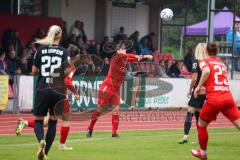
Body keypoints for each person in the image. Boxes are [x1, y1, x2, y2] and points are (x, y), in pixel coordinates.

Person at [86, 43, 153, 138]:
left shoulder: (125, 60)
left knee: (116, 110)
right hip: (107, 87)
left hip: (115, 90)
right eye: (121, 49)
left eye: (124, 49)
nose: (123, 51)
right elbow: (129, 56)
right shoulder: (115, 58)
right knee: (100, 109)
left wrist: (141, 58)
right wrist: (145, 56)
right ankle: (90, 128)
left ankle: (114, 133)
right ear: (117, 51)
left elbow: (132, 58)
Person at [16, 54, 81, 151]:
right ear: (75, 57)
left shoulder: (59, 63)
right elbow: (67, 81)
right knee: (66, 120)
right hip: (60, 96)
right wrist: (75, 93)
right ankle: (62, 145)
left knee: (46, 121)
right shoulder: (70, 67)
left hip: (49, 92)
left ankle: (24, 123)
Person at [191, 42, 240, 160]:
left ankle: (202, 154)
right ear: (217, 52)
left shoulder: (204, 61)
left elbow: (207, 72)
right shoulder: (222, 64)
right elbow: (219, 81)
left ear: (206, 51)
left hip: (214, 100)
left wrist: (198, 86)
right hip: (227, 98)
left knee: (201, 125)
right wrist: (206, 89)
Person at [31, 25, 72, 160]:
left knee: (38, 120)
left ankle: (41, 141)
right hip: (58, 90)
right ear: (60, 36)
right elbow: (67, 72)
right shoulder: (64, 52)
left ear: (49, 34)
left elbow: (34, 71)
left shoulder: (41, 50)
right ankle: (46, 153)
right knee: (53, 122)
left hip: (43, 88)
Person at [178, 43, 208, 144]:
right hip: (208, 90)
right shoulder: (209, 62)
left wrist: (190, 89)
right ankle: (200, 137)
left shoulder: (196, 62)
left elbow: (194, 78)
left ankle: (185, 136)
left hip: (199, 90)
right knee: (198, 112)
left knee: (190, 110)